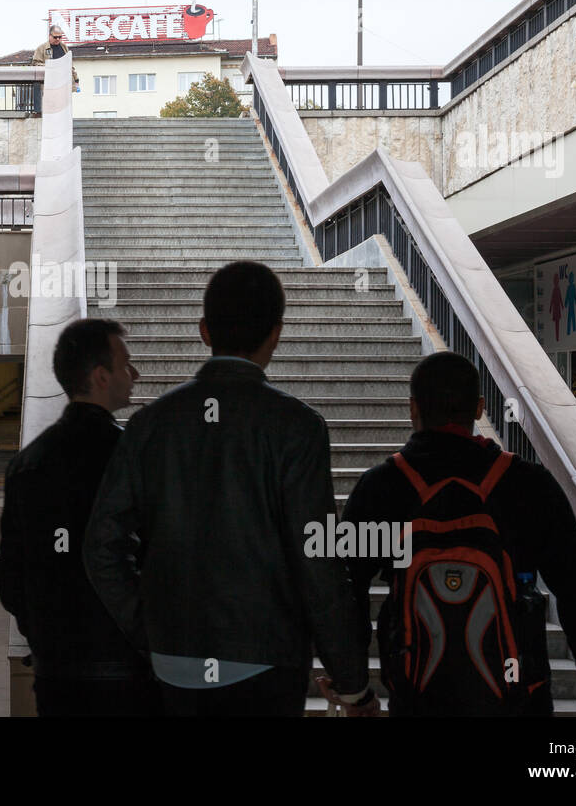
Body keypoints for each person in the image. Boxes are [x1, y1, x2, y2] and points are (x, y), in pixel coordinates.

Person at [83, 261, 376, 717]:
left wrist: (150, 627)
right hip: (265, 663)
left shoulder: (149, 425)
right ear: (276, 333)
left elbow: (101, 546)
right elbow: (318, 564)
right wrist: (353, 684)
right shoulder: (296, 428)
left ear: (204, 330)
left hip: (173, 663)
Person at [340, 351, 576, 716]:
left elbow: (347, 591)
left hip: (418, 698)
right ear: (479, 408)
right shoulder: (530, 485)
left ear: (413, 409)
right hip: (517, 699)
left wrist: (353, 687)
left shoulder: (381, 486)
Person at [0, 318, 161, 716]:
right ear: (101, 377)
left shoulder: (27, 464)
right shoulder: (134, 457)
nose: (135, 374)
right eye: (126, 364)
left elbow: (10, 576)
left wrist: (42, 635)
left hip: (58, 674)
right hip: (128, 671)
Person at [31, 25, 80, 92]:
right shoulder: (41, 48)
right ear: (49, 36)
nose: (58, 39)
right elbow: (35, 64)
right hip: (49, 84)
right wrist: (51, 66)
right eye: (55, 37)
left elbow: (70, 65)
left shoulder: (64, 47)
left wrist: (76, 79)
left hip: (64, 83)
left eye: (60, 37)